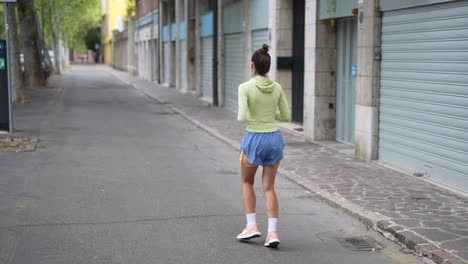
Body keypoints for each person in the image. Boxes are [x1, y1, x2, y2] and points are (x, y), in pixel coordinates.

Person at [236, 44, 291, 248]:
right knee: (269, 187)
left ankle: (251, 226)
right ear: (267, 67)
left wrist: (257, 116)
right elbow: (286, 116)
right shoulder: (276, 87)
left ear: (252, 66)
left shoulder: (245, 87)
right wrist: (270, 116)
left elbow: (242, 117)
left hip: (254, 139)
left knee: (247, 182)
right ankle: (273, 233)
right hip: (274, 139)